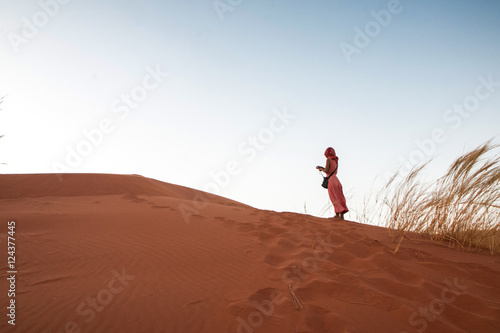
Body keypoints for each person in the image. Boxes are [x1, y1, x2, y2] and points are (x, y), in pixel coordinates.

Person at [316, 147, 348, 220]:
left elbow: (327, 170)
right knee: (339, 197)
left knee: (333, 197)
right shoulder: (336, 161)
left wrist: (321, 169)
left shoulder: (328, 159)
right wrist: (322, 168)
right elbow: (332, 170)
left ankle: (337, 215)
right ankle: (341, 216)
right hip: (336, 180)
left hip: (331, 180)